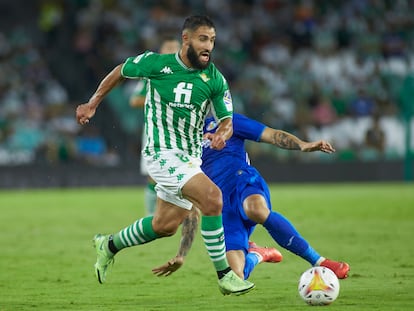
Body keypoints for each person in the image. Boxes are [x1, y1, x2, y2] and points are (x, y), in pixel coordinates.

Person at [75, 15, 255, 296]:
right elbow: (121, 70)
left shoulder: (215, 78)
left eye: (213, 41)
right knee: (212, 198)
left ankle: (108, 245)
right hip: (160, 153)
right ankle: (225, 275)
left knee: (164, 225)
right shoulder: (158, 64)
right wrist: (93, 102)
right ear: (186, 39)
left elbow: (226, 120)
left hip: (190, 157)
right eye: (203, 39)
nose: (209, 46)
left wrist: (222, 133)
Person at [152, 113, 350, 282]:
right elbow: (191, 206)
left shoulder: (227, 122)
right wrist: (181, 255)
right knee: (235, 277)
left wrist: (303, 145)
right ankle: (257, 254)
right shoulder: (180, 144)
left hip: (243, 182)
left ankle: (320, 262)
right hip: (220, 206)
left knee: (255, 210)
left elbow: (270, 135)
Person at [129, 37, 180, 216]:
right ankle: (152, 216)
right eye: (168, 47)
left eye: (175, 48)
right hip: (155, 130)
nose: (171, 51)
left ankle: (180, 213)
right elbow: (134, 100)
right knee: (152, 175)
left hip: (181, 132)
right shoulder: (153, 74)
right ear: (161, 51)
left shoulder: (187, 74)